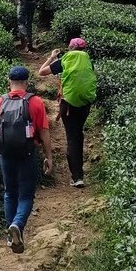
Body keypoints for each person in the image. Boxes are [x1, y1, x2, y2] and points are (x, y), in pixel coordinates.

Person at [0, 65, 53, 253]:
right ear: (26, 83)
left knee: (10, 192)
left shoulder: (0, 102)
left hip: (5, 153)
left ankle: (10, 235)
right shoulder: (35, 102)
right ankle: (17, 224)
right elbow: (44, 132)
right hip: (28, 153)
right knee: (26, 195)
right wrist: (48, 156)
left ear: (9, 82)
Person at [39, 38, 96, 188]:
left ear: (70, 48)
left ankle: (77, 177)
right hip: (85, 104)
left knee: (72, 137)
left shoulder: (65, 60)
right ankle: (78, 172)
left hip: (68, 105)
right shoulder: (88, 60)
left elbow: (42, 72)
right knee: (78, 134)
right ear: (84, 49)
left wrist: (51, 57)